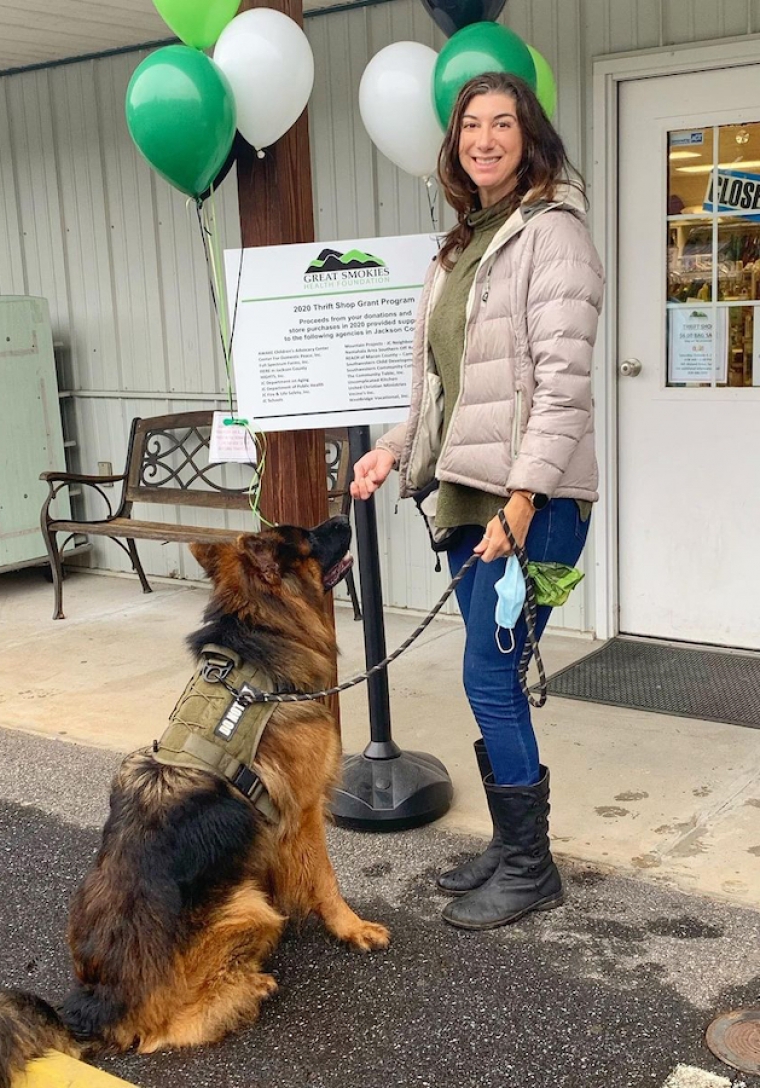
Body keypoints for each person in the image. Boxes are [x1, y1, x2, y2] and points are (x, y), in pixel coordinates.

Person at [351, 71, 604, 931]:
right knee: (485, 670)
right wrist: (390, 451)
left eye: (503, 124)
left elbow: (566, 390)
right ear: (455, 144)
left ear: (530, 138)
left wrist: (525, 498)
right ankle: (509, 845)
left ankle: (532, 869)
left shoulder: (553, 236)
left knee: (491, 672)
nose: (485, 139)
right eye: (471, 126)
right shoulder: (461, 245)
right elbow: (436, 385)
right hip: (467, 498)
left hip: (532, 504)